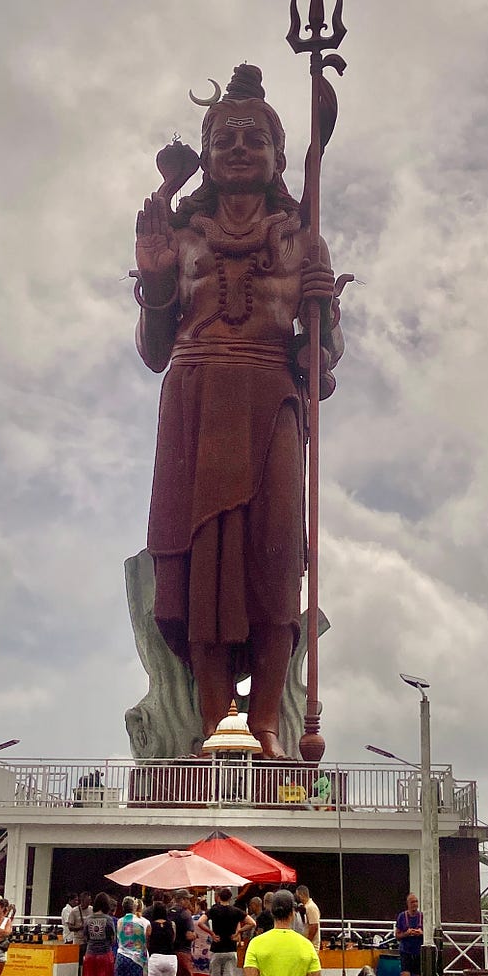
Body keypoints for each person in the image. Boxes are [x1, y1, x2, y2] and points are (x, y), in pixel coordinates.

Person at [135, 62, 345, 759]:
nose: (239, 148)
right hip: (194, 396)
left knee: (275, 558)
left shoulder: (301, 239)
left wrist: (327, 312)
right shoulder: (183, 238)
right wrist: (158, 282)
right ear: (207, 155)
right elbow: (155, 352)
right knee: (202, 565)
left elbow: (322, 364)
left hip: (269, 396)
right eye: (223, 138)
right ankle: (216, 722)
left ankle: (267, 729)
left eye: (255, 138)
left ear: (280, 158)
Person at [80, 894, 118, 976]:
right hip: (104, 955)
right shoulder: (108, 920)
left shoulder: (88, 919)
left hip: (90, 954)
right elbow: (113, 939)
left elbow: (85, 937)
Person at [207, 887, 242, 976]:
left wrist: (211, 933)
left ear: (219, 897)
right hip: (231, 950)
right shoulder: (236, 911)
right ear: (230, 897)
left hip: (217, 949)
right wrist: (238, 933)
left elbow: (200, 922)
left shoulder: (214, 910)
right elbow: (252, 922)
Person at [113, 896, 149, 976]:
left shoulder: (120, 921)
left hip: (121, 955)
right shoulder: (140, 922)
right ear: (134, 907)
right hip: (136, 958)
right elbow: (144, 941)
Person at [395, 893, 423, 976]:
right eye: (412, 902)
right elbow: (397, 935)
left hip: (419, 952)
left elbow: (429, 933)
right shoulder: (402, 916)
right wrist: (406, 933)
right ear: (408, 904)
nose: (415, 904)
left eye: (416, 902)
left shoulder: (422, 917)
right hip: (406, 951)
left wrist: (421, 933)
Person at [189, 902, 214, 976]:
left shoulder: (193, 919)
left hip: (195, 951)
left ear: (198, 906)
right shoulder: (210, 921)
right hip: (207, 952)